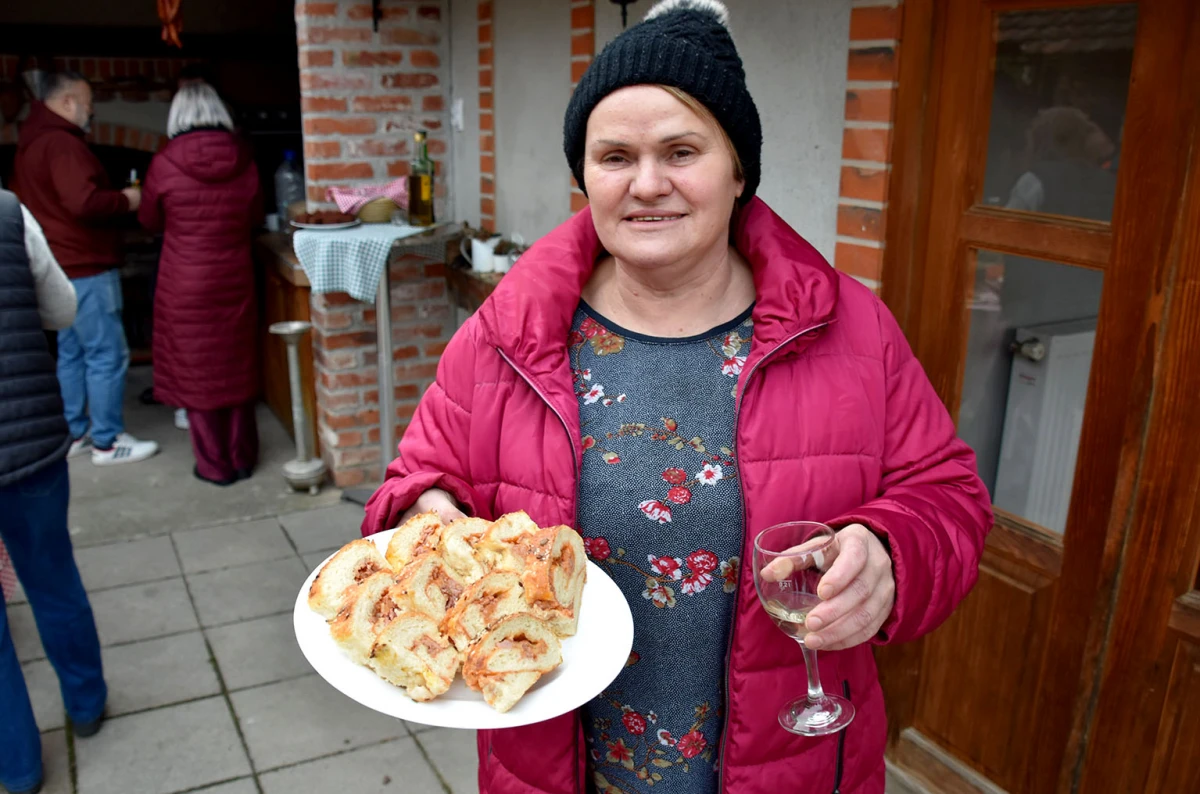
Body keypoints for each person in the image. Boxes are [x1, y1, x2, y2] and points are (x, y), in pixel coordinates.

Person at [361, 1, 993, 791]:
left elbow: (952, 498)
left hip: (786, 766)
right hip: (556, 770)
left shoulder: (851, 330)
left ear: (738, 171)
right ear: (584, 174)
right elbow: (408, 485)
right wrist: (427, 522)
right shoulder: (507, 335)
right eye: (615, 155)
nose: (647, 184)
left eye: (682, 151)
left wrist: (892, 556)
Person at [0, 188, 107, 794]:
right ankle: (87, 705)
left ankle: (17, 767)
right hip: (30, 440)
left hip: (28, 438)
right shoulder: (9, 211)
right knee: (52, 580)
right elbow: (62, 307)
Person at [12, 70, 159, 466]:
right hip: (86, 264)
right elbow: (84, 203)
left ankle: (75, 431)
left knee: (73, 354)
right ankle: (108, 441)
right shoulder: (62, 145)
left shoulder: (32, 142)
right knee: (106, 354)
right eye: (87, 101)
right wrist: (126, 200)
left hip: (59, 263)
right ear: (65, 103)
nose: (92, 110)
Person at [138, 82, 263, 486]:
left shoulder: (164, 161)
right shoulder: (244, 159)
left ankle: (214, 466)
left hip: (184, 282)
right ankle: (243, 458)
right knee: (236, 367)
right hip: (235, 276)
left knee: (198, 373)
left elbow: (149, 220)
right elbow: (256, 214)